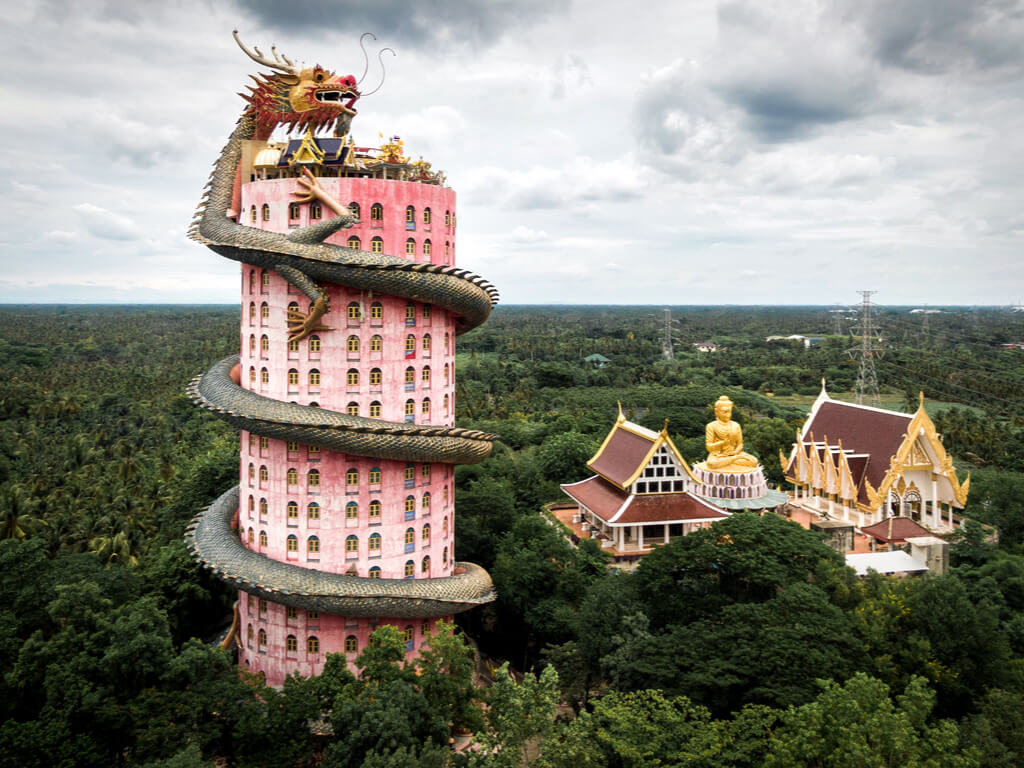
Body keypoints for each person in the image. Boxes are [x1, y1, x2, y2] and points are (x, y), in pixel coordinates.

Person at [704, 396, 758, 472]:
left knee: (754, 461)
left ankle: (732, 459)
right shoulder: (711, 426)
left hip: (733, 453)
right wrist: (721, 443)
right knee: (711, 464)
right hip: (718, 456)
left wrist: (735, 452)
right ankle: (733, 460)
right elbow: (709, 447)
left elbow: (740, 444)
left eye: (729, 411)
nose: (728, 415)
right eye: (725, 412)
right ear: (717, 412)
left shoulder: (736, 425)